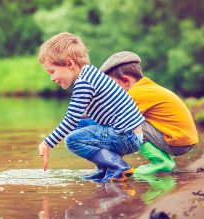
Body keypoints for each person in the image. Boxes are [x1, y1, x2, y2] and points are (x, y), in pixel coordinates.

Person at [37, 32, 145, 183]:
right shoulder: (91, 74)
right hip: (130, 133)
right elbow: (95, 111)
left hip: (126, 136)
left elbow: (70, 120)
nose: (52, 78)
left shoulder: (84, 83)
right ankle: (104, 169)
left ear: (70, 63)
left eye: (52, 71)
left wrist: (48, 143)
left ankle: (118, 167)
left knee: (72, 140)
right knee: (79, 127)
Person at [100, 51, 198, 175]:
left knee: (129, 124)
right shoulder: (146, 88)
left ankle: (161, 162)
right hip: (184, 140)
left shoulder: (135, 93)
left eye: (112, 87)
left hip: (178, 142)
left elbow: (117, 121)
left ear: (126, 81)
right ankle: (164, 161)